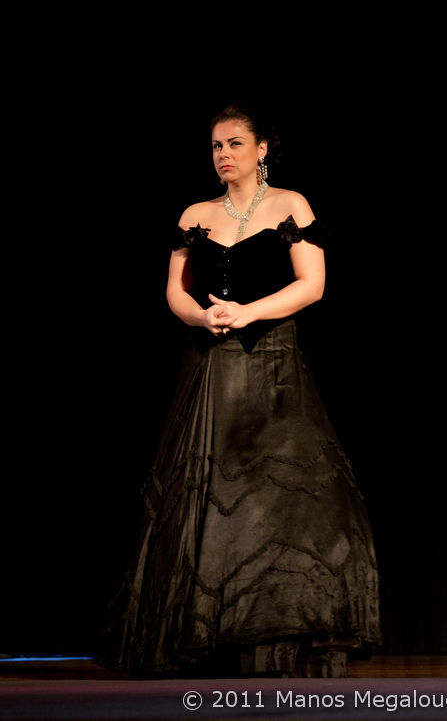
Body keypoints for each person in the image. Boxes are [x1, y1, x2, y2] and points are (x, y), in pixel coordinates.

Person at [93, 103, 382, 679]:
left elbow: (312, 284)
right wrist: (202, 317)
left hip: (274, 366)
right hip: (211, 366)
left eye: (234, 144)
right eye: (216, 146)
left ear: (261, 149)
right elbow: (175, 291)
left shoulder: (289, 204)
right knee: (205, 497)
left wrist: (247, 312)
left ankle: (277, 639)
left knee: (275, 499)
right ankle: (203, 641)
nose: (223, 154)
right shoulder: (196, 213)